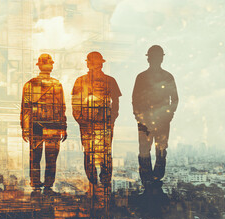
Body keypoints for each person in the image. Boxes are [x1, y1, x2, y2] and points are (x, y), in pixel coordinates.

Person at [72, 51, 121, 187]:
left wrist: (81, 120)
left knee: (89, 152)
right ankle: (103, 181)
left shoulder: (80, 81)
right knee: (104, 152)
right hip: (102, 124)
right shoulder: (109, 80)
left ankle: (94, 181)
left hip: (90, 124)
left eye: (88, 61)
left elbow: (75, 104)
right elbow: (116, 103)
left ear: (90, 63)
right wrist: (111, 120)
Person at [132, 45, 178, 190]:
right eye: (156, 57)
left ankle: (154, 179)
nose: (157, 59)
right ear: (150, 59)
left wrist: (168, 115)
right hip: (147, 121)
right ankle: (148, 180)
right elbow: (135, 99)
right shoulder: (142, 77)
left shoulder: (167, 77)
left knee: (160, 149)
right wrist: (140, 117)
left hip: (159, 120)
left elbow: (175, 99)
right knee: (147, 150)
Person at [20, 53, 67, 195]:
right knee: (50, 157)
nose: (50, 66)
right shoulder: (57, 85)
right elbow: (61, 108)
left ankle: (36, 184)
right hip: (52, 125)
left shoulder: (30, 84)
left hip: (37, 125)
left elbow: (26, 108)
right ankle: (46, 185)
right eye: (49, 63)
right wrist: (63, 127)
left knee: (36, 156)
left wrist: (25, 128)